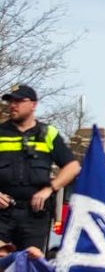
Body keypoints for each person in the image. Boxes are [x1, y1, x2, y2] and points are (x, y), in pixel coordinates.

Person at [0, 83, 80, 253]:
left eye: (19, 101)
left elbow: (72, 166)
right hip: (3, 213)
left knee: (31, 264)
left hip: (34, 215)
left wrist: (50, 189)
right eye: (10, 101)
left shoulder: (47, 133)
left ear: (33, 105)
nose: (13, 105)